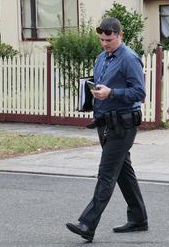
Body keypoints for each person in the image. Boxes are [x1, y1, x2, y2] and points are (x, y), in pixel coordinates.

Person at [66, 17, 148, 242]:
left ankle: (87, 223)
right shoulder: (101, 58)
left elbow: (139, 93)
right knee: (123, 172)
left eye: (109, 39)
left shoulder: (130, 59)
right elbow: (101, 85)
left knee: (106, 174)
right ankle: (139, 218)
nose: (104, 44)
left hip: (124, 124)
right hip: (105, 123)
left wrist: (112, 93)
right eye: (101, 39)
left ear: (120, 35)